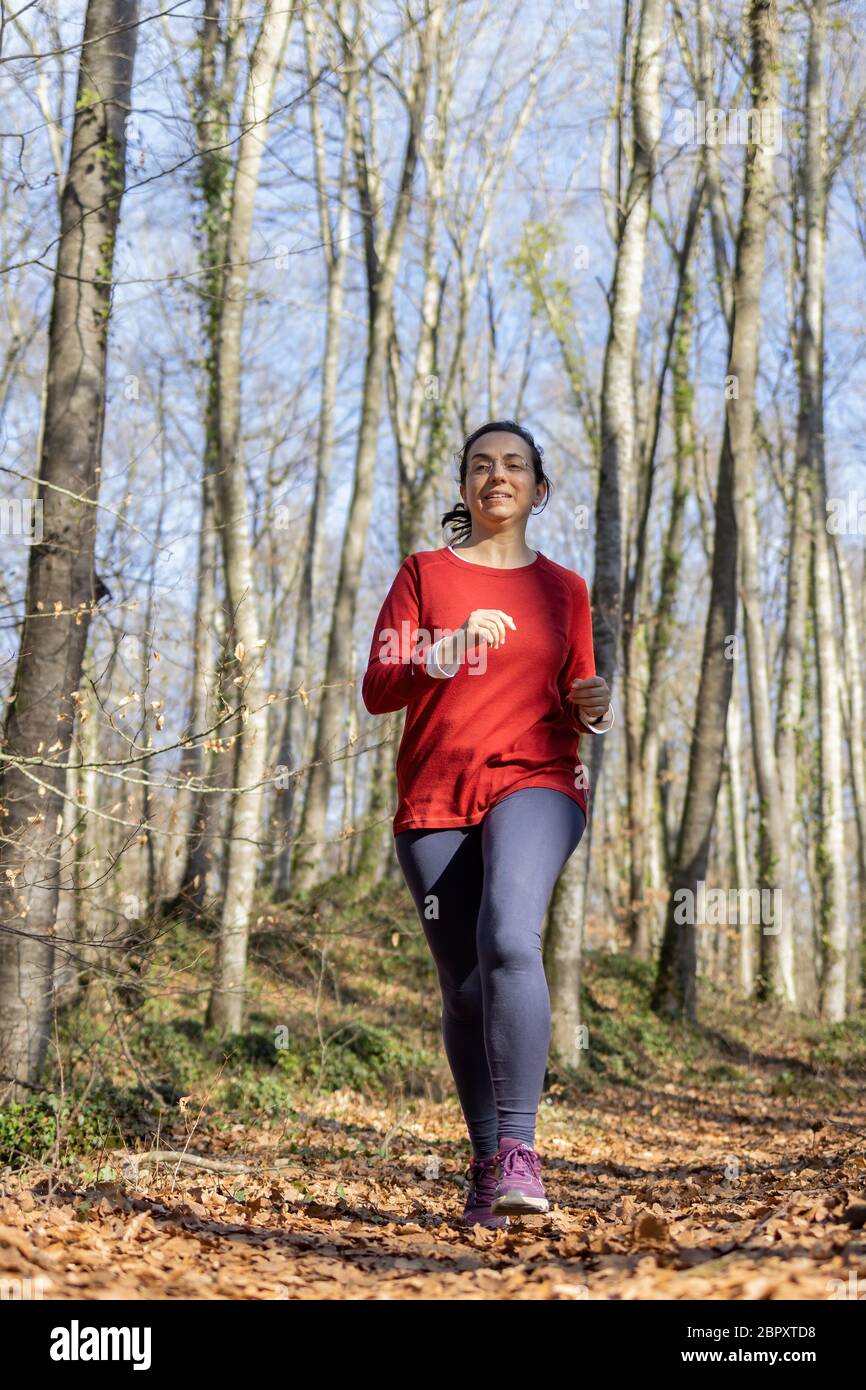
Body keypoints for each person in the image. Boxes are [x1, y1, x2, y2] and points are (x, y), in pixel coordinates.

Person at [361, 420, 613, 1228]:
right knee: (466, 988)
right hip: (435, 795)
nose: (496, 475)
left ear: (539, 490)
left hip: (539, 780)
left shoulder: (564, 590)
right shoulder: (424, 574)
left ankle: (520, 1149)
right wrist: (447, 647)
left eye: (514, 465)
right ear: (465, 487)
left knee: (508, 937)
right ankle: (483, 1164)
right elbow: (379, 686)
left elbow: (579, 691)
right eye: (480, 465)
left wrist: (596, 707)